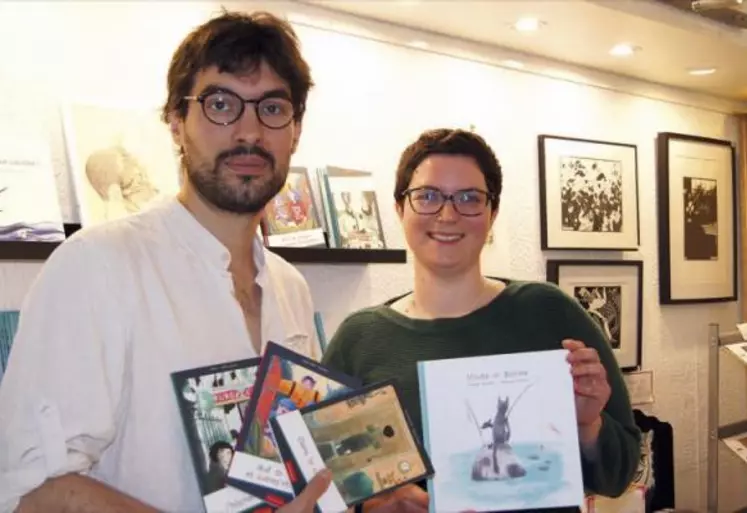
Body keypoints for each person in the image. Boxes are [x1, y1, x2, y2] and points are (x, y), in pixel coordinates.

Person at [0, 10, 334, 513]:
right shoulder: (95, 267)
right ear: (177, 124)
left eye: (272, 107)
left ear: (296, 130)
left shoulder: (291, 287)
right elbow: (32, 491)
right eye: (221, 104)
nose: (249, 131)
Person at [322, 128, 642, 512]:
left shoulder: (548, 312)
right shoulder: (359, 339)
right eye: (427, 196)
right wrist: (372, 505)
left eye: (470, 198)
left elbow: (620, 472)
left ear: (492, 213)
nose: (447, 214)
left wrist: (587, 426)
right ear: (399, 208)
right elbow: (322, 484)